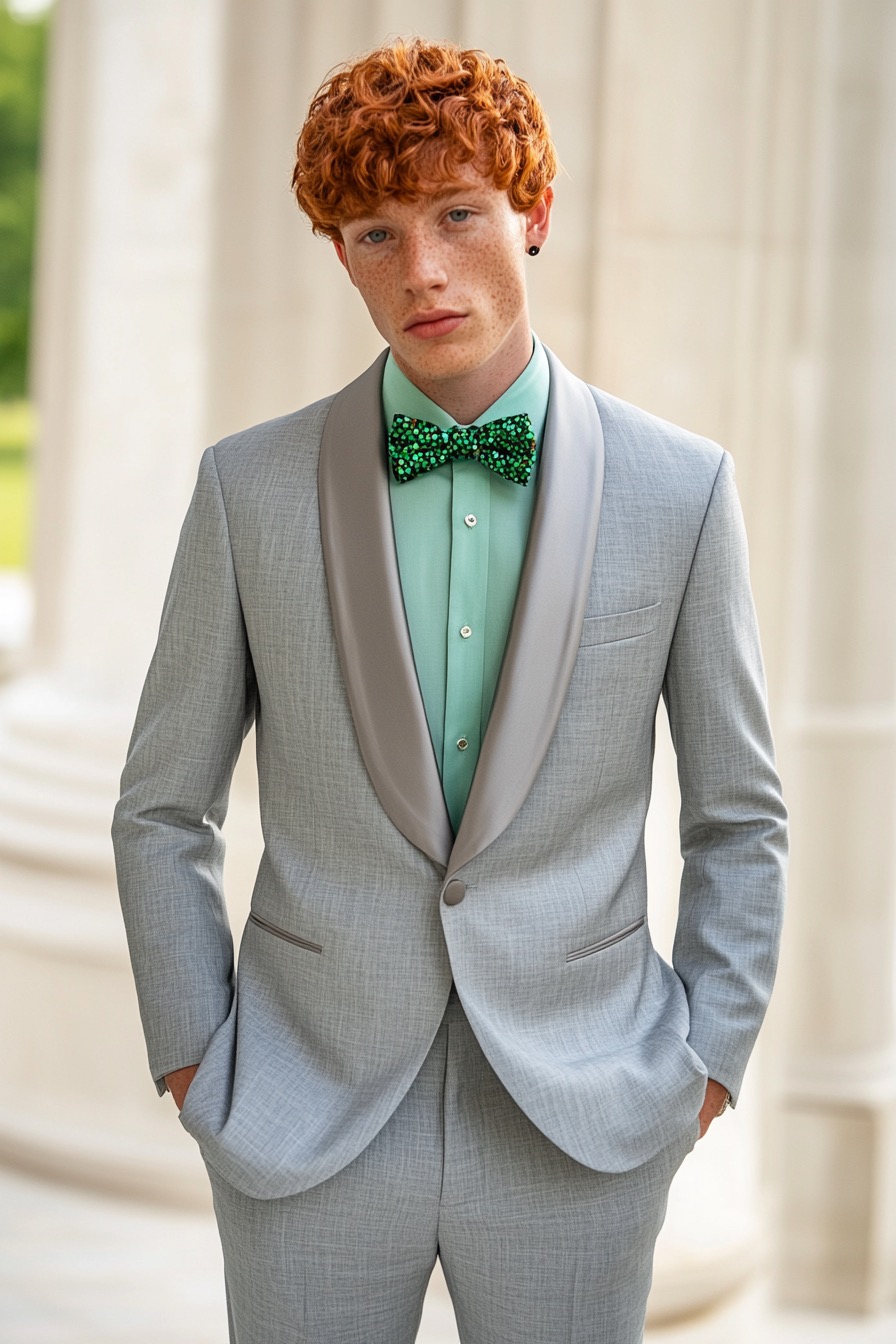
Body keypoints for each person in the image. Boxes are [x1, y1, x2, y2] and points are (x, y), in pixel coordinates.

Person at [112, 36, 787, 1344]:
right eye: (373, 233)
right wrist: (196, 1058)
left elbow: (739, 816)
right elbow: (161, 809)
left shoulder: (682, 490)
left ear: (534, 212)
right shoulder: (246, 493)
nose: (419, 271)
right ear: (339, 252)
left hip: (585, 1117)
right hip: (300, 1110)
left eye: (457, 215)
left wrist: (703, 1065)